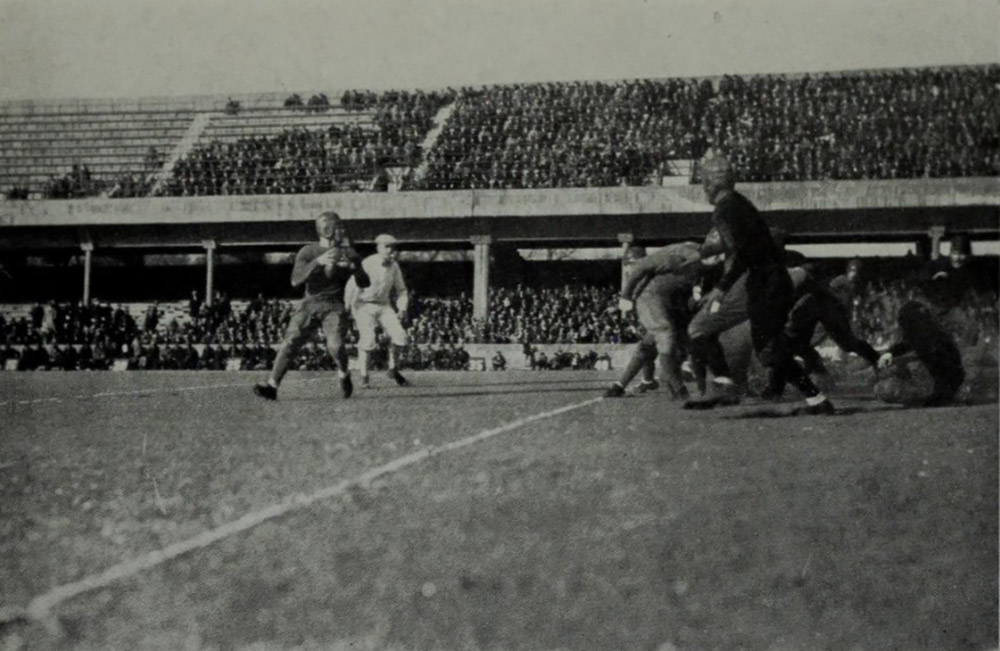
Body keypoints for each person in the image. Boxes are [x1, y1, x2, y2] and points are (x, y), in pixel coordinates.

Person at [684, 151, 834, 414]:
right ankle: (817, 399)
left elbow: (740, 252)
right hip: (772, 281)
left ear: (711, 183)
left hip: (764, 283)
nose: (704, 188)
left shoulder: (723, 210)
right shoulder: (740, 203)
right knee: (769, 350)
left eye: (705, 182)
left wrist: (720, 288)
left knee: (699, 329)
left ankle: (724, 383)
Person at [254, 212, 370, 400]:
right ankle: (272, 386)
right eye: (338, 226)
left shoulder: (350, 253)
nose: (342, 230)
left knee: (336, 346)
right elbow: (295, 280)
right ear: (327, 229)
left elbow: (365, 283)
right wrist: (318, 261)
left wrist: (354, 268)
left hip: (334, 304)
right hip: (310, 302)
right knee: (291, 341)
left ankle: (343, 373)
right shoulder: (308, 251)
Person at [604, 242, 700, 399]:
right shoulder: (680, 256)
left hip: (673, 302)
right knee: (661, 337)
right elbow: (641, 269)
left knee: (652, 343)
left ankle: (625, 384)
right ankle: (678, 388)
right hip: (659, 300)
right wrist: (626, 297)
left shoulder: (702, 263)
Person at [345, 233, 410, 387]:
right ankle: (364, 377)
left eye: (393, 247)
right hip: (364, 305)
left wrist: (402, 308)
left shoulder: (394, 266)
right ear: (378, 248)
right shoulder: (367, 263)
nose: (391, 251)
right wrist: (349, 307)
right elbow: (352, 286)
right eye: (387, 247)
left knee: (400, 336)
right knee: (368, 340)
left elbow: (401, 290)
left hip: (384, 305)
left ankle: (392, 369)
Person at [875, 300, 965, 407]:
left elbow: (948, 372)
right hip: (947, 383)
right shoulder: (931, 335)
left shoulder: (930, 340)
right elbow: (904, 346)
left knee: (885, 389)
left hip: (945, 385)